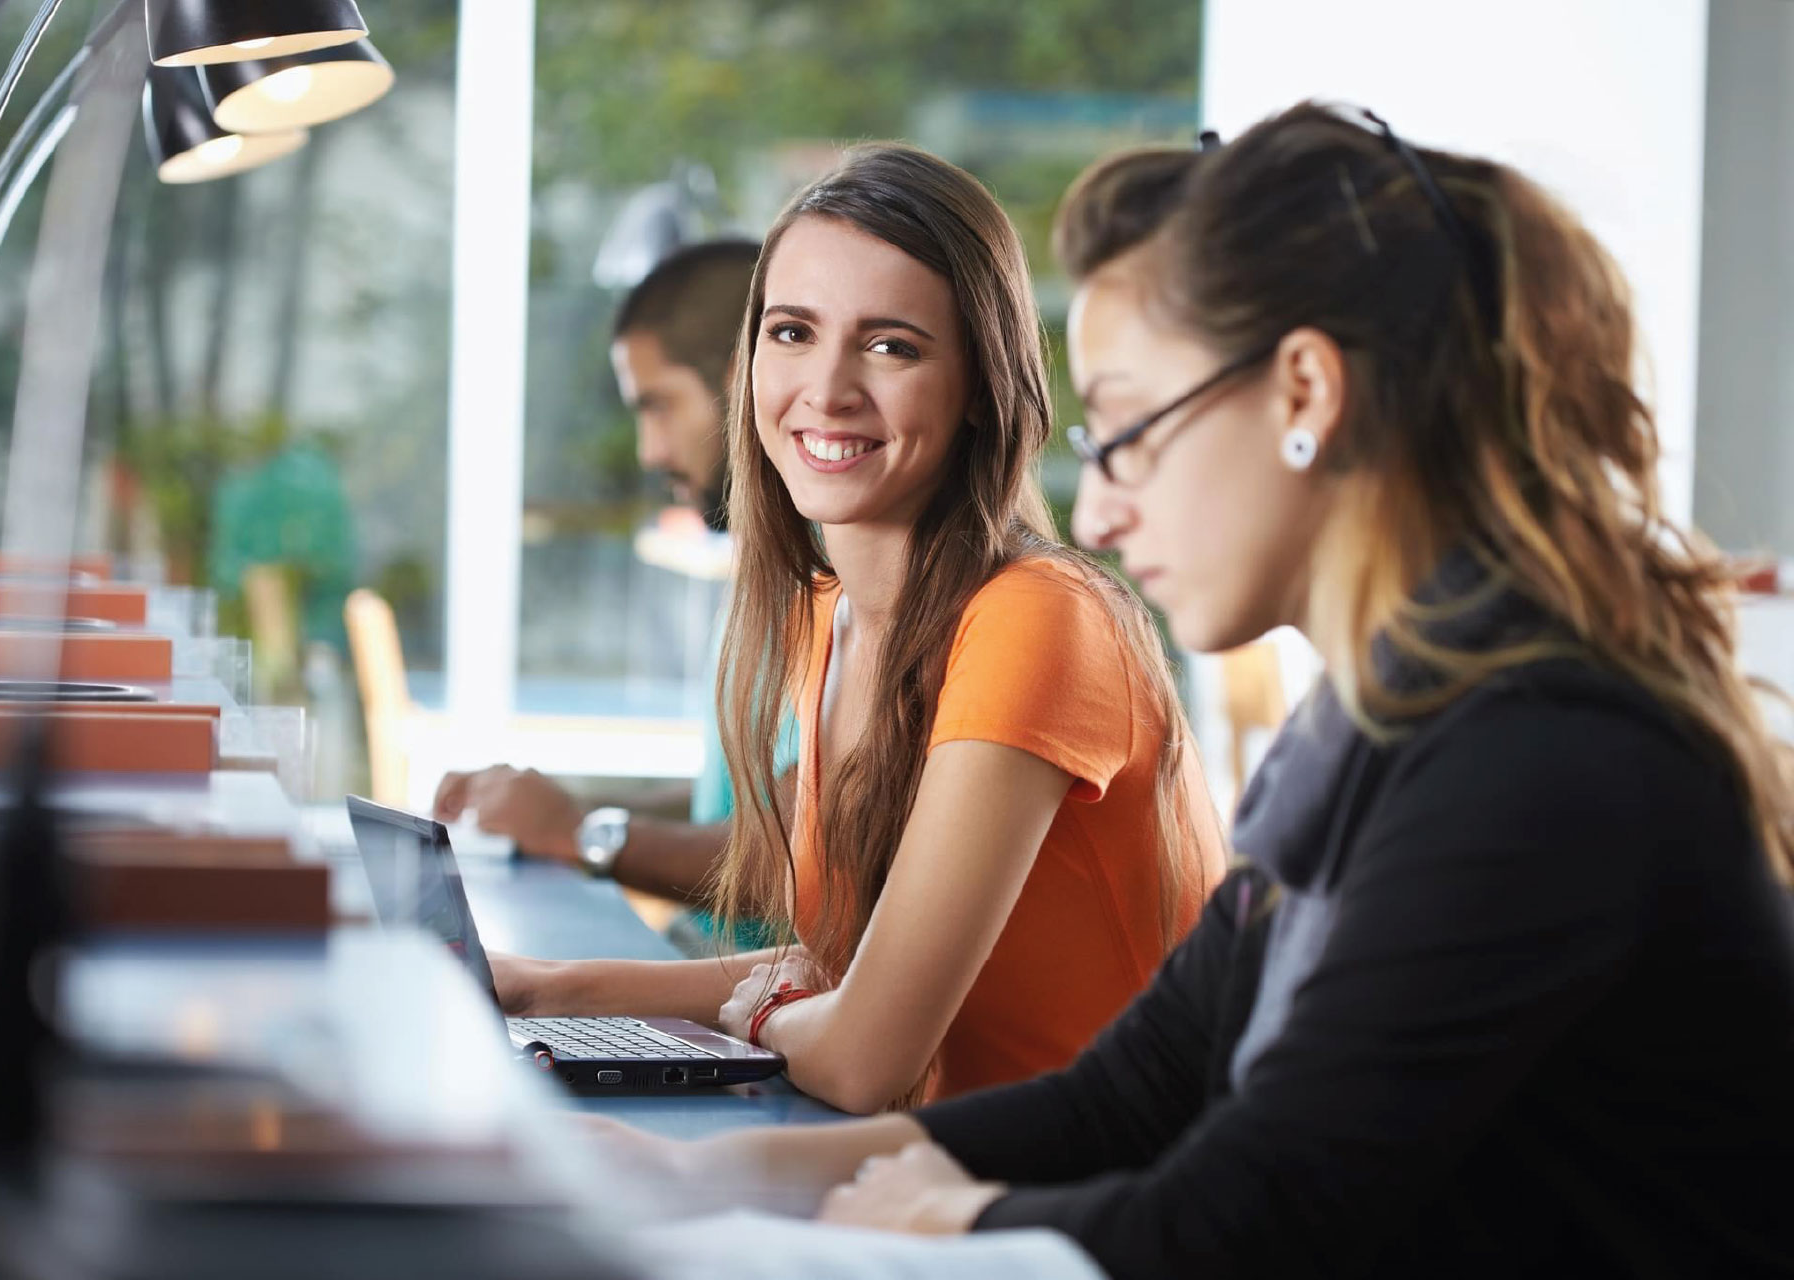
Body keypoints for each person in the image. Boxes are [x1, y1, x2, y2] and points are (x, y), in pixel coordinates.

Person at [593, 106, 1794, 1276]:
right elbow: (1131, 1093)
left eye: (1129, 427)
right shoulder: (1375, 722)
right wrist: (689, 1178)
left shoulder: (1539, 757)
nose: (1103, 508)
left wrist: (950, 1220)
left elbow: (1259, 1216)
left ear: (1307, 397)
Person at [489, 142, 1226, 1114]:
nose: (827, 388)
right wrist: (544, 986)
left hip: (1089, 1214)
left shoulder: (1041, 617)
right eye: (792, 332)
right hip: (930, 1166)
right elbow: (840, 970)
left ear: (981, 387)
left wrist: (766, 1014)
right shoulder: (828, 619)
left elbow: (858, 1051)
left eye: (892, 346)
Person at [434, 242, 795, 932]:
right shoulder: (764, 569)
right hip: (713, 975)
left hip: (756, 1013)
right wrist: (563, 809)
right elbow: (725, 809)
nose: (648, 451)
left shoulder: (831, 575)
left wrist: (581, 832)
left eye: (659, 406)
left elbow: (786, 856)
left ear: (742, 382)